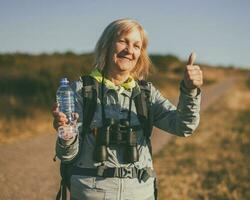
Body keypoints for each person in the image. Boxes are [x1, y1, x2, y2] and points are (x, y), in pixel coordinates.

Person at [52, 18, 203, 200]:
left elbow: (183, 127)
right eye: (123, 41)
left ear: (141, 53)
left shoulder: (146, 93)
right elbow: (66, 157)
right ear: (107, 45)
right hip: (92, 194)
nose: (129, 50)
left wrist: (190, 91)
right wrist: (66, 135)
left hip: (140, 193)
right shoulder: (80, 91)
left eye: (137, 46)